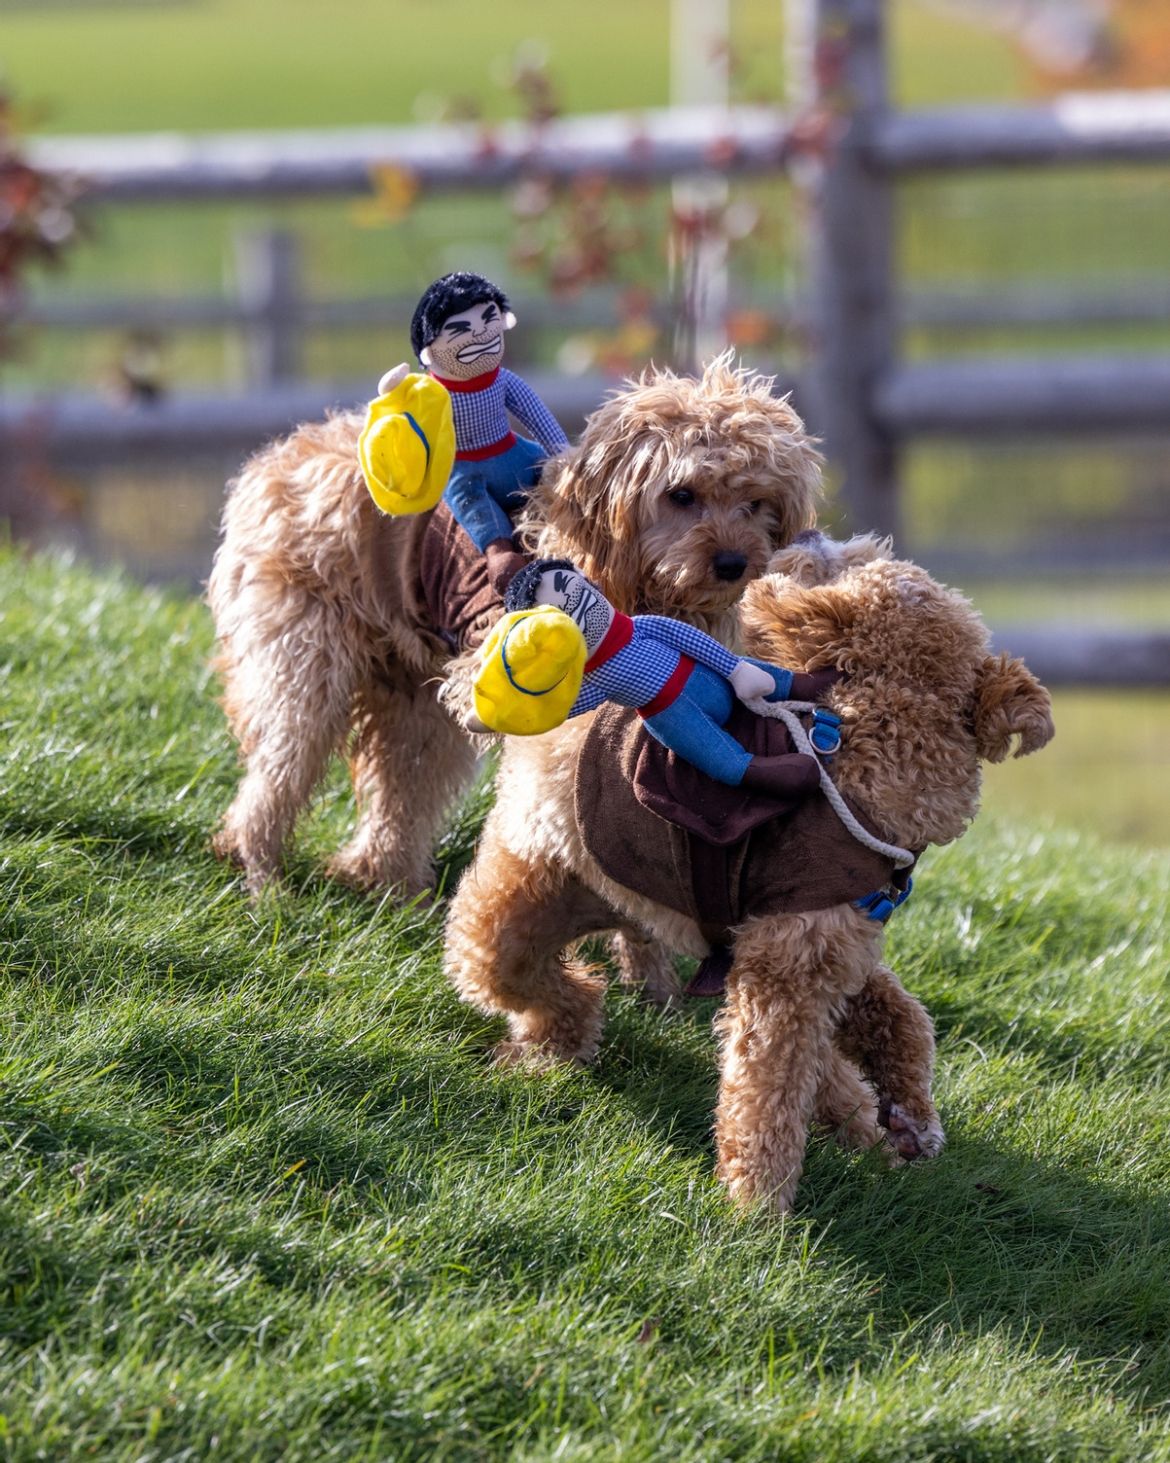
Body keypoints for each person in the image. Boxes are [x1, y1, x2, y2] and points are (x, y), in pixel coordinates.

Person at [475, 557, 838, 798]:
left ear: (592, 585)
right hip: (667, 713)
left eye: (580, 594)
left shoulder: (641, 627)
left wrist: (734, 668)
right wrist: (504, 715)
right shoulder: (596, 677)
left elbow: (691, 641)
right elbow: (561, 707)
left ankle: (797, 684)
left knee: (755, 668)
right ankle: (755, 771)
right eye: (567, 614)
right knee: (712, 754)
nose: (582, 610)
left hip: (701, 673)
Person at [374, 271, 568, 594]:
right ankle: (499, 552)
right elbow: (409, 430)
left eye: (488, 318)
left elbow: (534, 412)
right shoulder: (433, 396)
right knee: (473, 505)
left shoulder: (501, 380)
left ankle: (566, 517)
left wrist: (561, 452)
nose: (479, 333)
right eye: (460, 330)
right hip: (465, 470)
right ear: (429, 351)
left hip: (512, 452)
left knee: (550, 469)